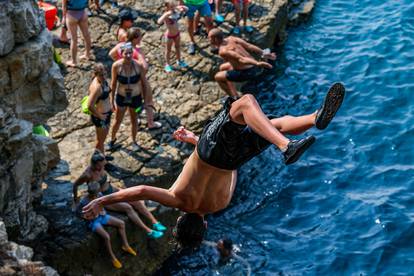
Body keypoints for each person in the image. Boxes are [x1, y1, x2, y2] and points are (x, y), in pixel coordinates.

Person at [83, 84, 346, 250]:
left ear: (205, 227)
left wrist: (197, 142)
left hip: (231, 160)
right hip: (210, 151)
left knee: (269, 124)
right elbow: (139, 190)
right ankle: (287, 144)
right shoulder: (177, 200)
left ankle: (314, 118)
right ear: (179, 219)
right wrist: (101, 201)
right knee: (245, 103)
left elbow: (229, 170)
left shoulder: (220, 205)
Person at [74, 151, 167, 238]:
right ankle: (148, 231)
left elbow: (101, 156)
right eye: (101, 165)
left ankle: (155, 222)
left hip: (112, 189)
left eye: (103, 164)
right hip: (104, 197)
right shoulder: (87, 174)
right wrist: (76, 199)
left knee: (136, 201)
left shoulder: (101, 165)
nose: (103, 166)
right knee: (128, 208)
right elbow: (75, 185)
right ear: (95, 164)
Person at [109, 29, 163, 132]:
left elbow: (111, 54)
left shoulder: (121, 46)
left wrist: (120, 62)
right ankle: (151, 123)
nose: (141, 38)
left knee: (133, 102)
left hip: (125, 82)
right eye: (139, 37)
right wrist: (140, 71)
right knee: (148, 101)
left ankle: (136, 119)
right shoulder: (137, 51)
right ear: (135, 39)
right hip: (138, 81)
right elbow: (145, 66)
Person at [76, 181, 136, 269]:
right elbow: (78, 213)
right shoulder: (84, 201)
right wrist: (87, 217)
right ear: (89, 193)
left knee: (121, 223)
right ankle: (112, 258)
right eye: (93, 195)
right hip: (93, 221)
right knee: (106, 237)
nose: (95, 197)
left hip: (102, 216)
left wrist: (102, 210)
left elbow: (103, 204)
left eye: (96, 194)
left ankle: (125, 245)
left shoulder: (100, 195)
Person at [209, 28, 276, 97]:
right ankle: (233, 90)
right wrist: (264, 52)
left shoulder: (223, 51)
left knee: (217, 77)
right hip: (251, 66)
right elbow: (249, 46)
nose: (209, 40)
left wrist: (257, 63)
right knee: (222, 67)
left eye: (210, 38)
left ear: (216, 39)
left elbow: (241, 59)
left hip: (246, 72)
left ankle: (233, 97)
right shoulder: (232, 38)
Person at [87, 63, 113, 156]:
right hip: (101, 117)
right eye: (101, 75)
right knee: (100, 141)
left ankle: (101, 157)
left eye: (105, 74)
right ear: (95, 74)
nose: (103, 76)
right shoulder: (97, 87)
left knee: (102, 139)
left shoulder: (103, 81)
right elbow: (89, 105)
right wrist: (101, 116)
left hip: (106, 114)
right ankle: (100, 161)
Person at [157, 0, 189, 72]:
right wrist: (166, 14)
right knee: (168, 50)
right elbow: (159, 21)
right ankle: (168, 64)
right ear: (167, 7)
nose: (173, 8)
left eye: (174, 6)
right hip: (169, 36)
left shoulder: (176, 11)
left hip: (177, 34)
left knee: (178, 47)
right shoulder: (166, 15)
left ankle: (179, 61)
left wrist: (181, 7)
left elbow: (187, 9)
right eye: (171, 6)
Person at [62, 0, 95, 67]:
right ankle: (87, 55)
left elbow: (64, 6)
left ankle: (74, 62)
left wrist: (64, 17)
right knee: (86, 35)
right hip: (82, 13)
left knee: (74, 39)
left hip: (71, 14)